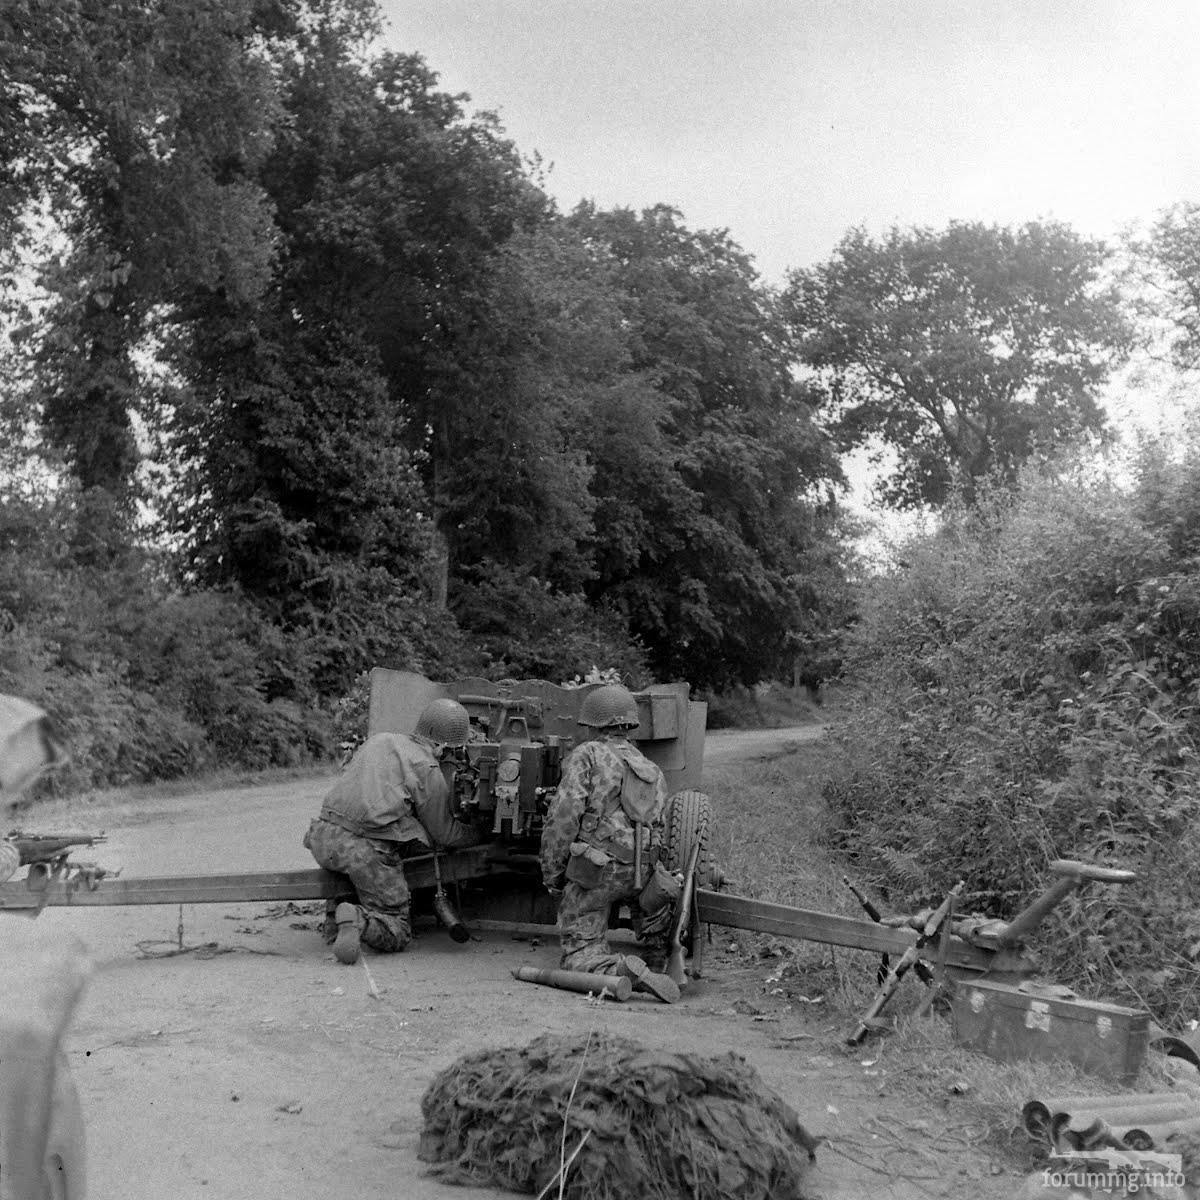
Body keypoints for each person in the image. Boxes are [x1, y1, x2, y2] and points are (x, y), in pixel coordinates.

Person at [303, 698, 480, 965]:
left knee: (365, 855)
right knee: (397, 928)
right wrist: (480, 834)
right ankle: (357, 920)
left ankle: (334, 919)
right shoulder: (427, 767)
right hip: (360, 851)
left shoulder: (380, 740)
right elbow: (445, 834)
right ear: (443, 746)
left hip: (322, 836)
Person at [539, 683, 681, 1003]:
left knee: (579, 957)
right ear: (630, 724)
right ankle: (656, 957)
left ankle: (621, 970)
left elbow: (563, 818)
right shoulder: (650, 768)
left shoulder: (587, 754)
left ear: (593, 723)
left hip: (597, 873)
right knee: (654, 935)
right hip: (643, 877)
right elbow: (658, 828)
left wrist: (554, 873)